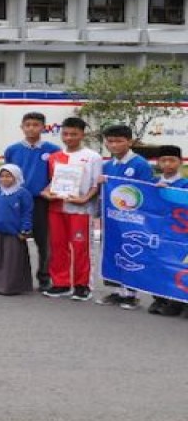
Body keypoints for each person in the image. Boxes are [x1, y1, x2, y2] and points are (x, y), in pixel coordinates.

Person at [95, 124, 156, 309]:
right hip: (112, 217)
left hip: (132, 219)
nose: (114, 145)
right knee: (112, 251)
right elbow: (104, 193)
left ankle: (131, 293)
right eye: (110, 141)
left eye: (119, 141)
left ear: (129, 142)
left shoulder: (140, 164)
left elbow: (145, 190)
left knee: (131, 253)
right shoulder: (107, 165)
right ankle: (115, 291)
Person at [42, 116, 103, 301]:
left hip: (81, 210)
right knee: (58, 246)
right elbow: (52, 183)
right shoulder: (54, 157)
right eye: (66, 134)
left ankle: (82, 285)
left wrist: (84, 199)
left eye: (74, 134)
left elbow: (96, 184)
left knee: (80, 247)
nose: (69, 138)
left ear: (82, 134)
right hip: (57, 207)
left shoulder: (93, 157)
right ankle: (60, 283)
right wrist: (46, 193)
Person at [4, 112, 62, 291]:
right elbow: (7, 175)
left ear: (43, 127)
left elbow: (59, 175)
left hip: (41, 202)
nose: (31, 128)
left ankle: (44, 277)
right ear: (22, 127)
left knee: (44, 241)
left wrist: (49, 189)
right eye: (27, 124)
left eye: (36, 125)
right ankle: (14, 276)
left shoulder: (53, 150)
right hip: (17, 201)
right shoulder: (12, 150)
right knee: (14, 239)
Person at [150, 145, 188, 317]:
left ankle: (180, 302)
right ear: (158, 162)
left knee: (180, 266)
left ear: (180, 162)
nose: (167, 164)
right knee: (160, 264)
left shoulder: (185, 184)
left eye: (172, 160)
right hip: (159, 232)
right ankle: (161, 299)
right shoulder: (152, 184)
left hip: (180, 233)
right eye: (163, 160)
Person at [0, 165, 35, 296]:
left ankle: (11, 286)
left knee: (12, 260)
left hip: (14, 233)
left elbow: (27, 213)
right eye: (2, 176)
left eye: (8, 176)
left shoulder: (23, 193)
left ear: (16, 177)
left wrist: (25, 230)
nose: (4, 179)